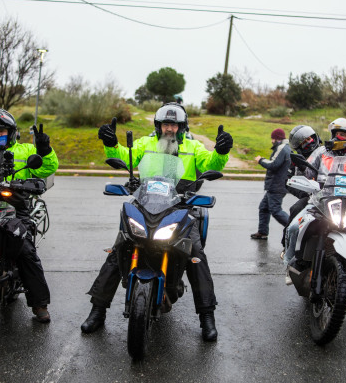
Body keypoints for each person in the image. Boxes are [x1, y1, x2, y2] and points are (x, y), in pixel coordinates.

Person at [81, 102, 233, 341]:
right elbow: (125, 157)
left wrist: (221, 151)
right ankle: (98, 311)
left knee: (196, 255)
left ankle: (207, 316)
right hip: (146, 205)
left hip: (181, 206)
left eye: (174, 125)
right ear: (158, 126)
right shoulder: (146, 143)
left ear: (182, 127)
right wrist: (111, 144)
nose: (169, 129)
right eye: (165, 124)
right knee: (119, 248)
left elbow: (211, 164)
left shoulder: (193, 147)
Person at [0, 106, 59, 322]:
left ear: (11, 132)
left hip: (15, 207)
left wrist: (45, 151)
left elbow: (47, 169)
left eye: (1, 131)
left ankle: (39, 303)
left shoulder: (26, 150)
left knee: (25, 250)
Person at [285, 118, 346, 315]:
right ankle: (289, 263)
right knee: (295, 227)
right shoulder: (322, 153)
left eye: (342, 134)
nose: (337, 137)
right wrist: (300, 174)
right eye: (335, 134)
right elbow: (306, 172)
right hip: (320, 203)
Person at [280, 125, 324, 284]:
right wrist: (305, 191)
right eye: (303, 143)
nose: (308, 143)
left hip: (333, 195)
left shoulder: (329, 153)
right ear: (298, 147)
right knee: (296, 208)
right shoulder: (296, 160)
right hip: (311, 195)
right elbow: (288, 181)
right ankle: (287, 250)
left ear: (315, 137)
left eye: (309, 139)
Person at [250, 128, 291, 240]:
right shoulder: (285, 147)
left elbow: (273, 164)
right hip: (276, 185)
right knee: (264, 208)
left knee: (276, 210)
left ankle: (294, 228)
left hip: (276, 185)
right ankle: (262, 232)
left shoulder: (282, 148)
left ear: (277, 138)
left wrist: (260, 160)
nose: (272, 141)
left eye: (273, 139)